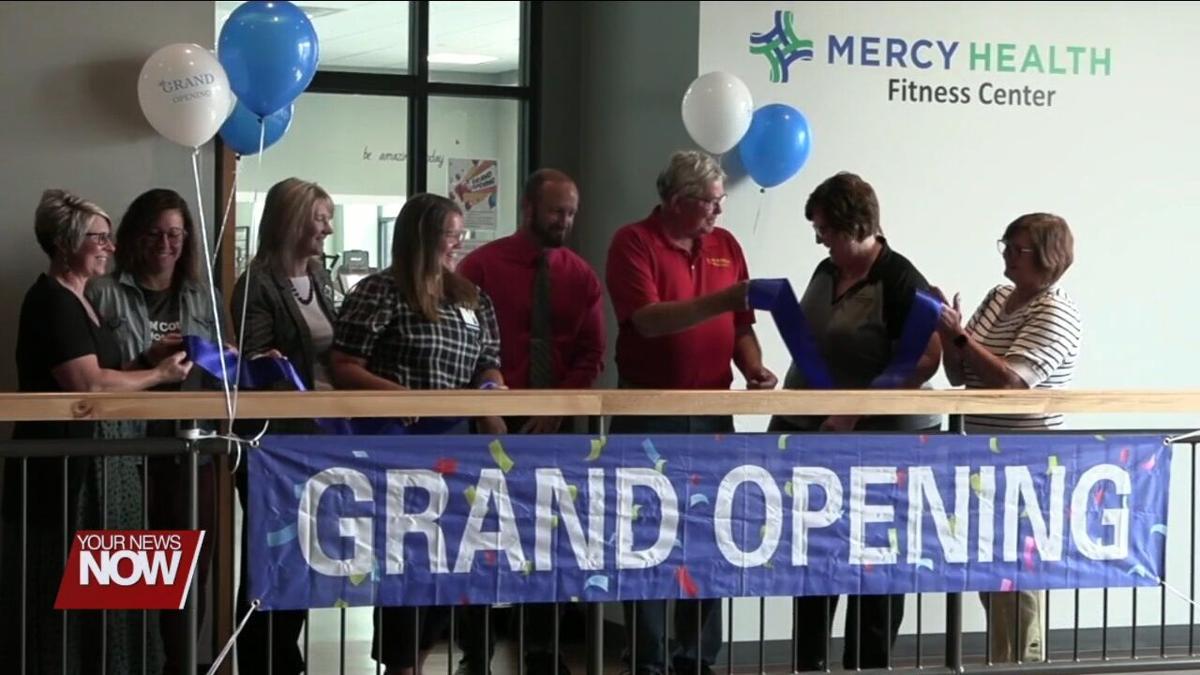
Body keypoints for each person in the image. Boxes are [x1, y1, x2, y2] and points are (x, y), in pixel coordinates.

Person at [0, 189, 191, 674]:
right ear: (65, 244)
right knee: (73, 599)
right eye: (98, 238)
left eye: (109, 237)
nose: (109, 246)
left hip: (110, 471)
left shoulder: (82, 300)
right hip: (75, 477)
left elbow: (107, 372)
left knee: (116, 596)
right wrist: (160, 376)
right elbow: (87, 383)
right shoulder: (52, 302)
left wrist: (145, 361)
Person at [605, 150, 777, 675]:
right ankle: (649, 657)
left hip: (713, 412)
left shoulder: (726, 246)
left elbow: (741, 324)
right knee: (647, 537)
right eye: (710, 203)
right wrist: (723, 300)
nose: (718, 213)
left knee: (711, 537)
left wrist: (754, 366)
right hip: (649, 410)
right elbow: (649, 321)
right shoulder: (633, 242)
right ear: (678, 201)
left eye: (721, 201)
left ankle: (697, 657)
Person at [767, 171, 942, 671]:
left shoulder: (899, 279)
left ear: (851, 224)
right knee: (814, 559)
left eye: (823, 227)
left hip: (878, 446)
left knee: (875, 567)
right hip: (815, 438)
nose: (818, 237)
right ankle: (810, 664)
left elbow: (923, 360)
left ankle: (866, 665)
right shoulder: (825, 272)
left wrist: (856, 409)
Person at [330, 193, 506, 675]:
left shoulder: (471, 298)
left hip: (461, 451)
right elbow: (344, 365)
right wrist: (398, 395)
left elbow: (488, 362)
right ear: (423, 237)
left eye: (460, 234)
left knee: (453, 566)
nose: (458, 244)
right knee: (406, 567)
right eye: (451, 235)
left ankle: (442, 657)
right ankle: (401, 666)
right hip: (399, 450)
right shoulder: (379, 291)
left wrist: (492, 393)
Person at [456, 168, 605, 675]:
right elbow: (464, 347)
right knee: (477, 538)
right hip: (491, 422)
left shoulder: (581, 277)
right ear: (528, 210)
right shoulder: (480, 267)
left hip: (555, 429)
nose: (564, 221)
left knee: (548, 540)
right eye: (556, 212)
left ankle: (542, 648)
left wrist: (559, 406)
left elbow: (592, 356)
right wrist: (486, 405)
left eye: (570, 213)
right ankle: (474, 652)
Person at [86, 187, 224, 675]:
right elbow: (93, 377)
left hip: (193, 451)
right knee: (128, 572)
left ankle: (180, 666)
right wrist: (149, 361)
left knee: (191, 573)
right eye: (155, 233)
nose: (166, 244)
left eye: (176, 234)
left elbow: (222, 369)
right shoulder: (102, 291)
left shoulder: (204, 296)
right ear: (134, 236)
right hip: (125, 453)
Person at [933, 212, 1081, 664]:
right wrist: (949, 335)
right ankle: (1002, 661)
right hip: (978, 454)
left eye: (1017, 249)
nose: (1007, 256)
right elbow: (961, 372)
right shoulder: (999, 297)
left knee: (1020, 572)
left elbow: (1014, 384)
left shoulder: (1057, 311)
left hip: (1027, 462)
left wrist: (960, 339)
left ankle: (1024, 664)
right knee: (988, 570)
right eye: (1006, 245)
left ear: (1047, 258)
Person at [232, 177, 339, 675]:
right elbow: (253, 358)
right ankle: (262, 658)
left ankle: (284, 655)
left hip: (322, 438)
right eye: (320, 218)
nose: (328, 229)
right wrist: (268, 362)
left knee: (306, 554)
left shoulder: (320, 279)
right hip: (275, 443)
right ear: (293, 219)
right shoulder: (256, 282)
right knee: (271, 553)